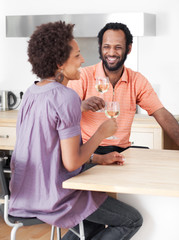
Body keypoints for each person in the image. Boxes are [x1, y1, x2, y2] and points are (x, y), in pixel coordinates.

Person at [8, 21, 142, 240]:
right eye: (78, 55)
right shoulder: (66, 96)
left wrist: (97, 158)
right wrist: (101, 132)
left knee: (89, 226)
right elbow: (71, 163)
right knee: (132, 220)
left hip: (23, 196)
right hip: (57, 199)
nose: (83, 60)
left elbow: (52, 152)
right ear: (60, 63)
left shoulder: (31, 93)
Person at [68, 22, 179, 161]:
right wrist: (82, 106)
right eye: (106, 47)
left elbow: (161, 113)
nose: (111, 53)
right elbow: (63, 113)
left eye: (118, 47)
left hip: (123, 151)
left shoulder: (137, 80)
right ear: (100, 48)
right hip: (89, 151)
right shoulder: (83, 76)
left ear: (129, 49)